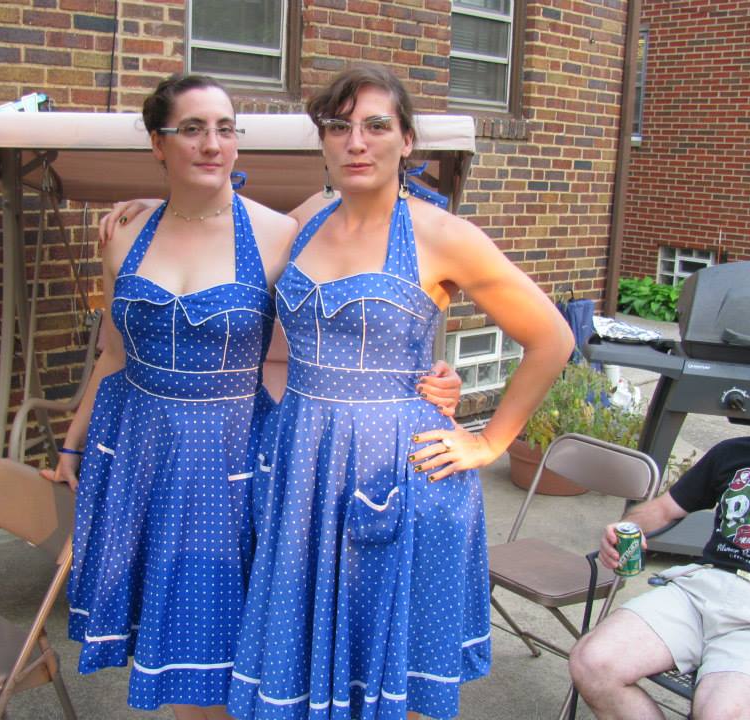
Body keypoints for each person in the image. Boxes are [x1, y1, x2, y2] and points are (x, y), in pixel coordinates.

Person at [45, 73, 461, 719]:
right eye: (191, 129)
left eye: (224, 128)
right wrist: (72, 445)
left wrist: (425, 379)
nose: (212, 143)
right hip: (139, 456)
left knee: (240, 638)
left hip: (236, 462)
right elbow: (113, 354)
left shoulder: (280, 232)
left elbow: (350, 311)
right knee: (171, 638)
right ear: (159, 143)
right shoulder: (123, 234)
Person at [223, 67, 573, 720]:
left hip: (401, 473)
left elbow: (551, 339)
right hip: (306, 471)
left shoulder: (440, 235)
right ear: (323, 142)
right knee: (312, 660)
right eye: (339, 126)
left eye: (376, 126)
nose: (357, 142)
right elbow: (219, 228)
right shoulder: (304, 221)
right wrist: (150, 210)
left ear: (405, 142)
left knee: (395, 669)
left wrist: (490, 442)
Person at [568, 346, 750, 720]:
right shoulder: (733, 453)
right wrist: (627, 527)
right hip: (701, 590)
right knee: (593, 663)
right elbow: (665, 508)